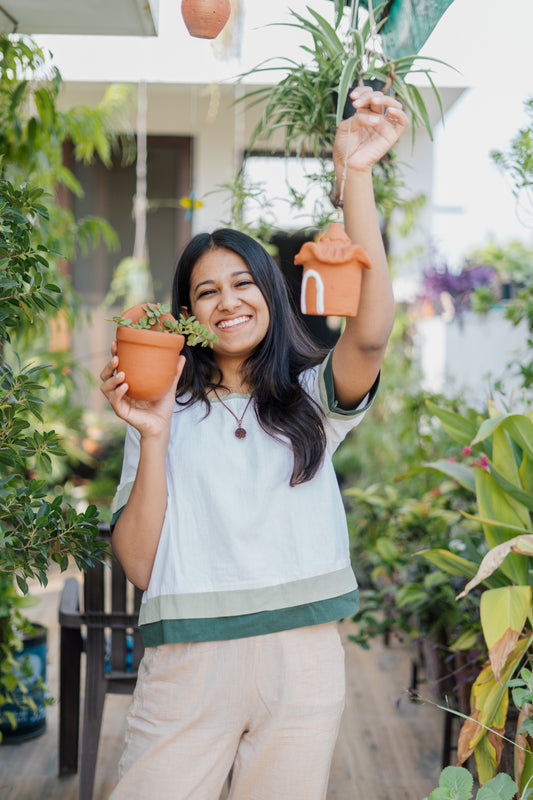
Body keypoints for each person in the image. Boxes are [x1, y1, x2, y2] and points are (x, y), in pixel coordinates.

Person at [100, 86, 407, 800]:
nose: (227, 301)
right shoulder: (159, 405)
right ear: (187, 315)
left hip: (300, 663)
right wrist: (151, 435)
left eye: (243, 283)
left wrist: (353, 175)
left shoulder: (311, 399)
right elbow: (143, 565)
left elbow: (370, 331)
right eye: (206, 293)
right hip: (187, 662)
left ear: (271, 293)